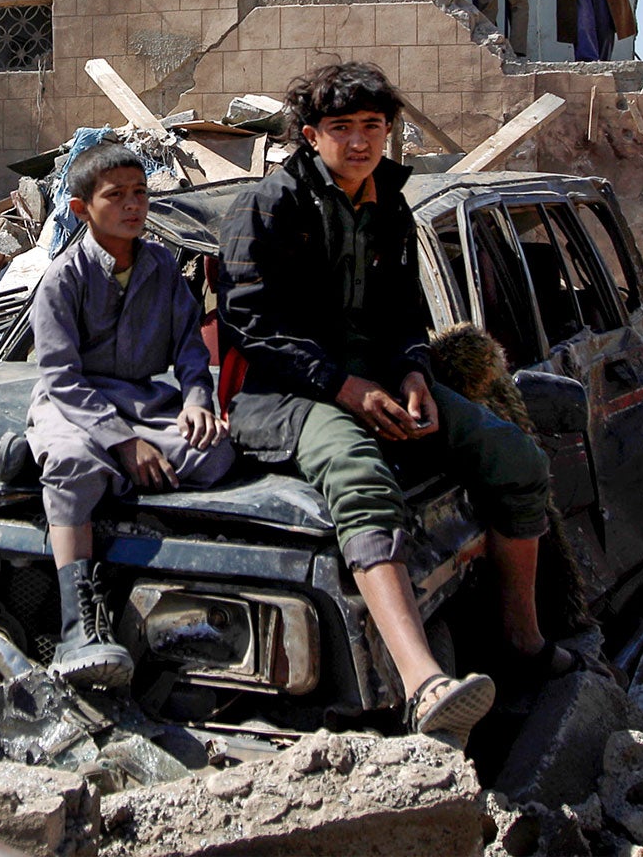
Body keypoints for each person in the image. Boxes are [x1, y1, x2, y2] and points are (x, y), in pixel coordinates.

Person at [218, 62, 563, 737]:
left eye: (371, 127)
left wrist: (410, 372)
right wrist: (343, 388)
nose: (358, 142)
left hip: (378, 381)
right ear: (311, 136)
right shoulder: (268, 206)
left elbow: (406, 313)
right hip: (285, 392)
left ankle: (522, 641)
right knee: (360, 479)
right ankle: (423, 682)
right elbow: (249, 327)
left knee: (515, 458)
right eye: (341, 129)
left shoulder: (391, 203)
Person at [22, 141, 235, 686]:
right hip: (70, 402)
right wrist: (123, 442)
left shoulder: (162, 266)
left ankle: (92, 476)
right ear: (81, 209)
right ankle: (79, 627)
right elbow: (61, 376)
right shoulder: (62, 279)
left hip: (139, 398)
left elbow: (191, 346)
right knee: (75, 464)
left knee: (212, 454)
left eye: (139, 193)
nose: (133, 206)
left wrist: (196, 400)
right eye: (115, 196)